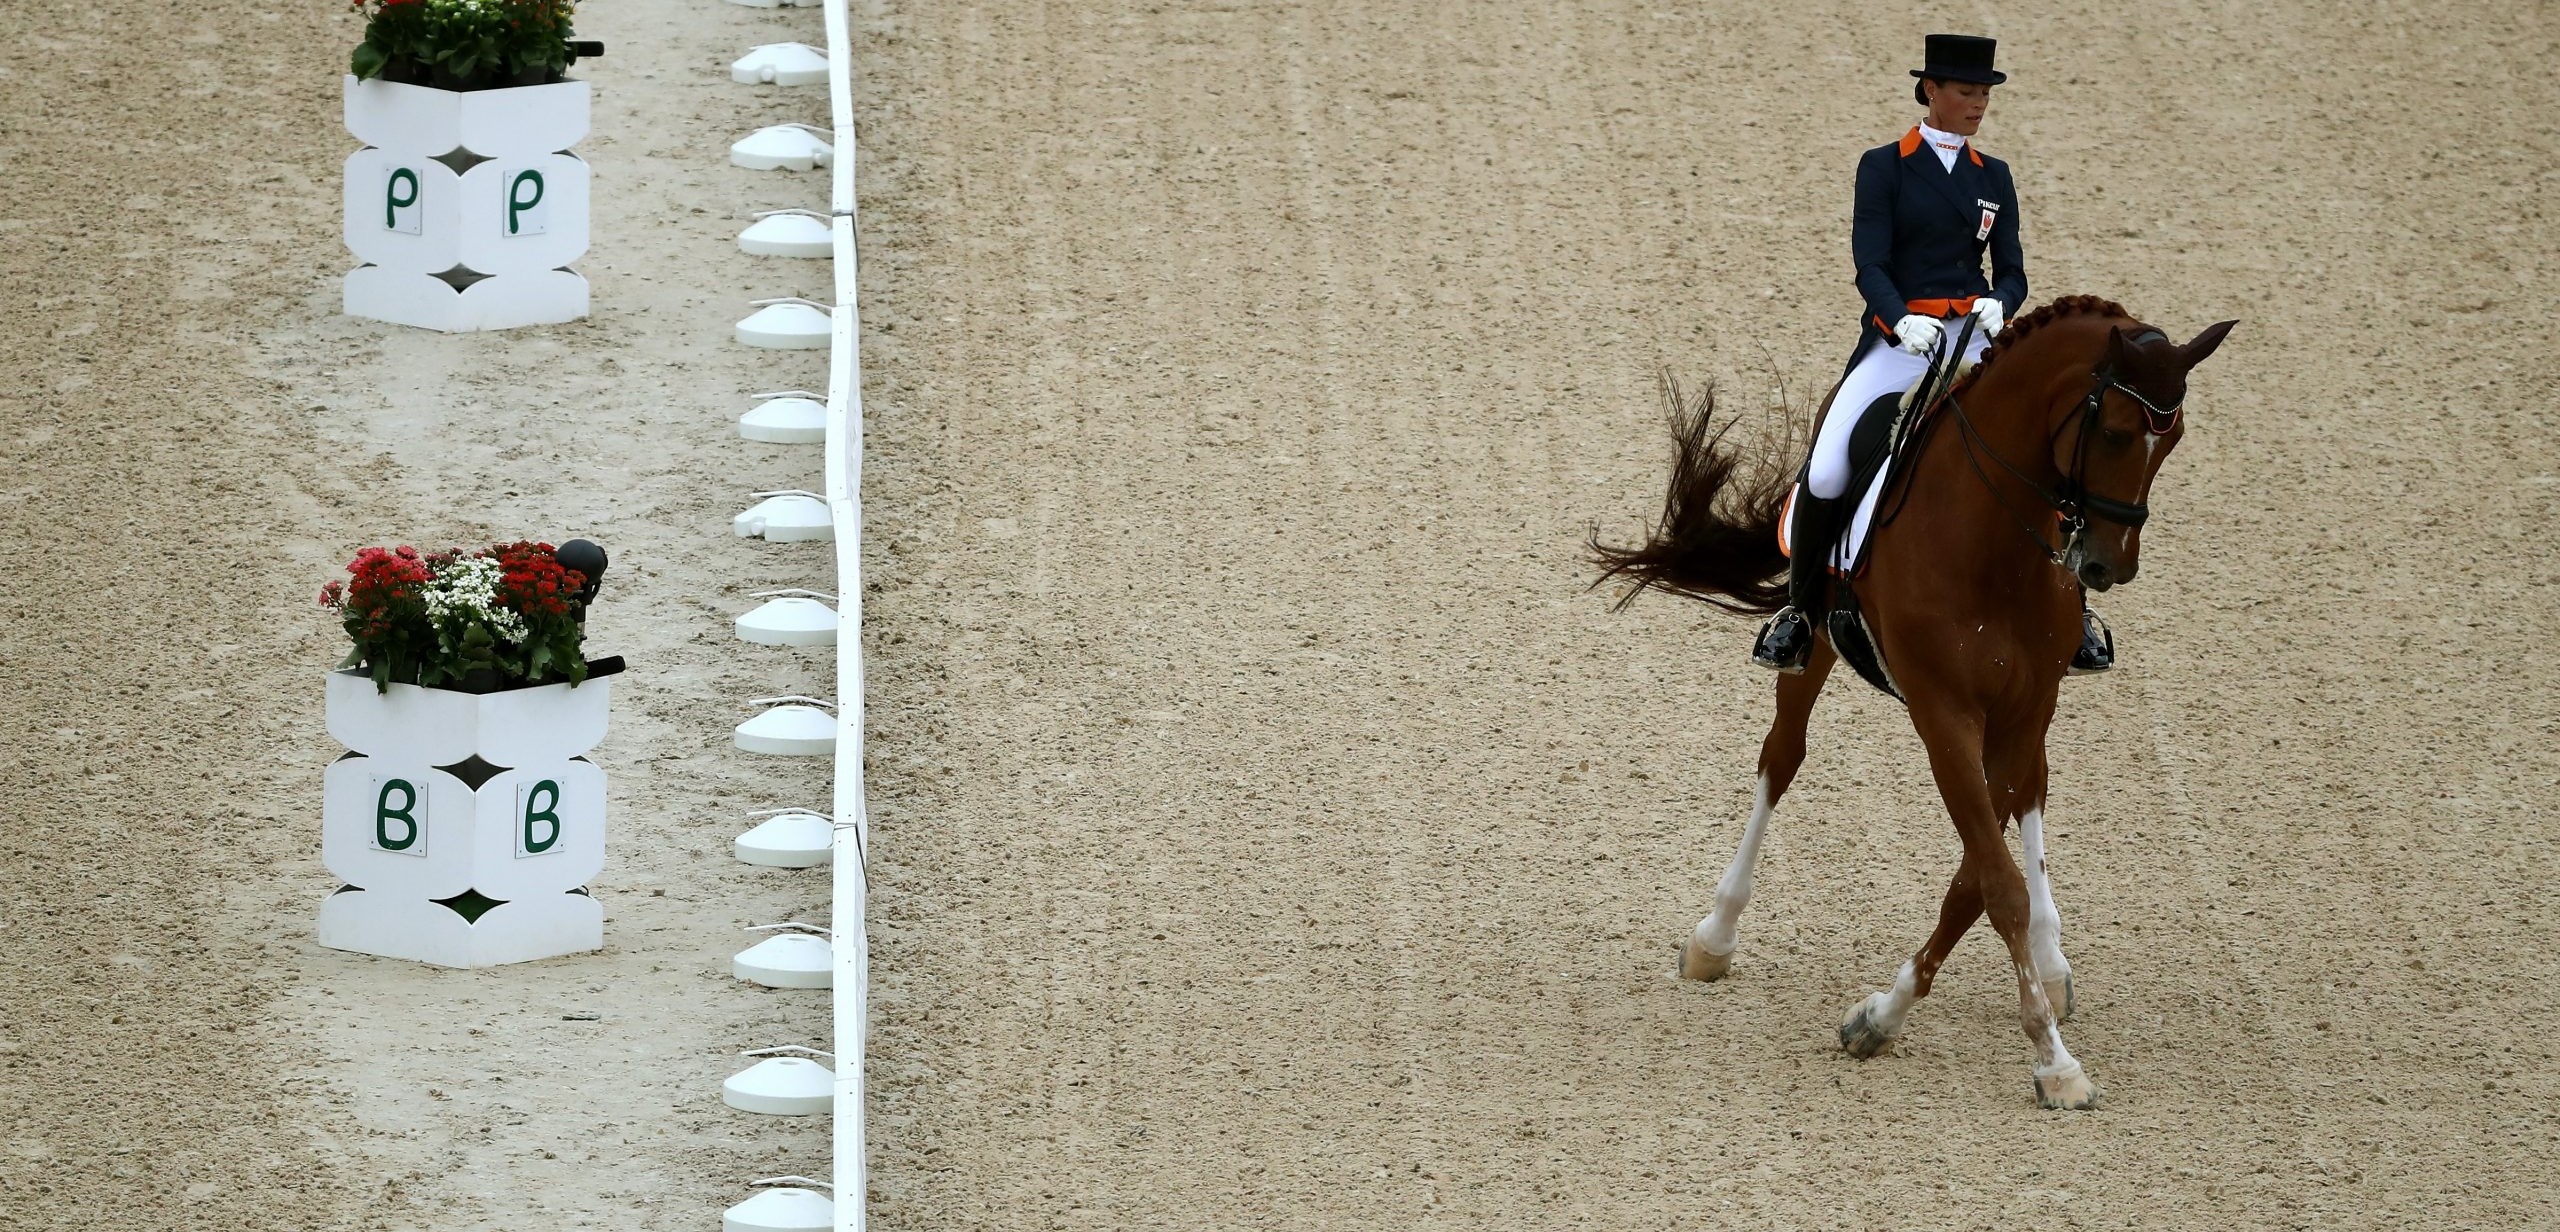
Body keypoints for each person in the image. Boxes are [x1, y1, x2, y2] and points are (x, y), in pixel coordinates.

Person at [1751, 33, 2116, 676]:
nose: (1978, 104)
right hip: (1901, 341)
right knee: (1831, 464)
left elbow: (2012, 269)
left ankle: (2078, 613)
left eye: (1984, 94)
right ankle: (1799, 613)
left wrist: (2000, 301)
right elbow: (1870, 263)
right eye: (1967, 92)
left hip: (1974, 339)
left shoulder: (1993, 176)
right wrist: (1899, 319)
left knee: (2052, 449)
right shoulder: (1884, 166)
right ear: (1931, 91)